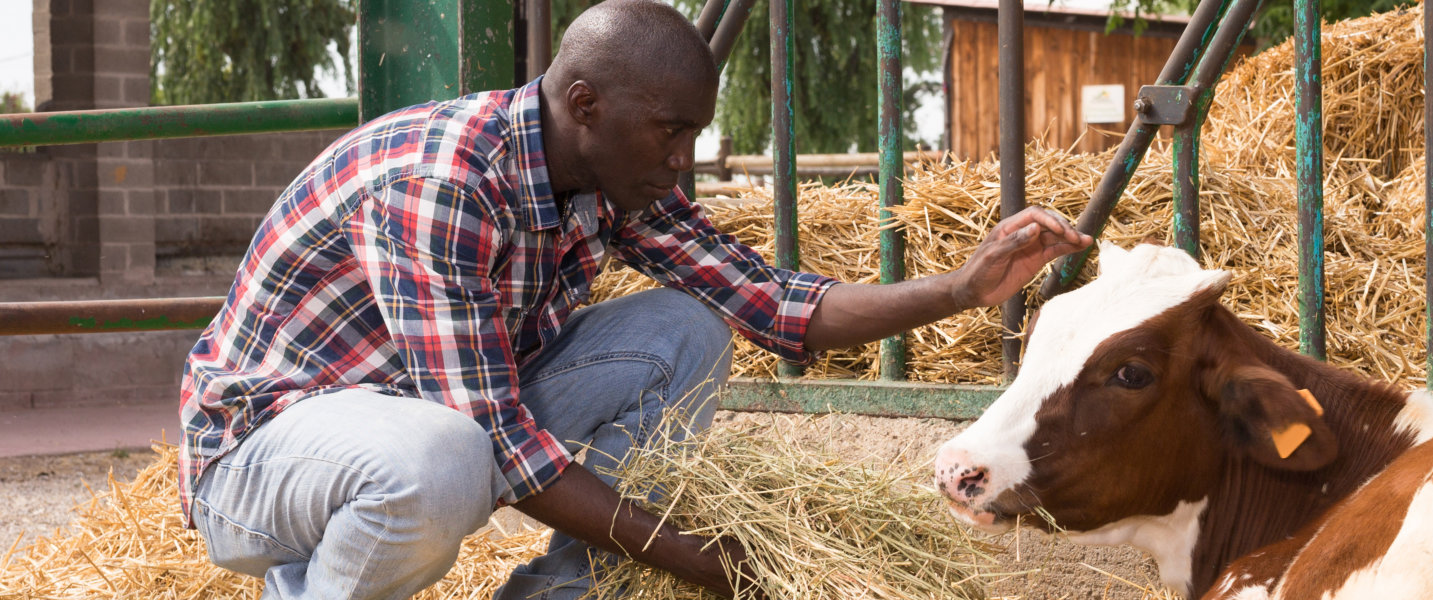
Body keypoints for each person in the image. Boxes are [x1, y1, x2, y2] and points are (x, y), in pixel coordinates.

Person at [175, 1, 1091, 598]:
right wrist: (702, 563)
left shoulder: (611, 177)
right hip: (261, 455)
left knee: (684, 331)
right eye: (671, 131)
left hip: (421, 421)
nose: (682, 158)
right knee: (441, 454)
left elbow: (772, 306)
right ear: (585, 103)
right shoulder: (445, 180)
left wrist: (964, 288)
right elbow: (499, 443)